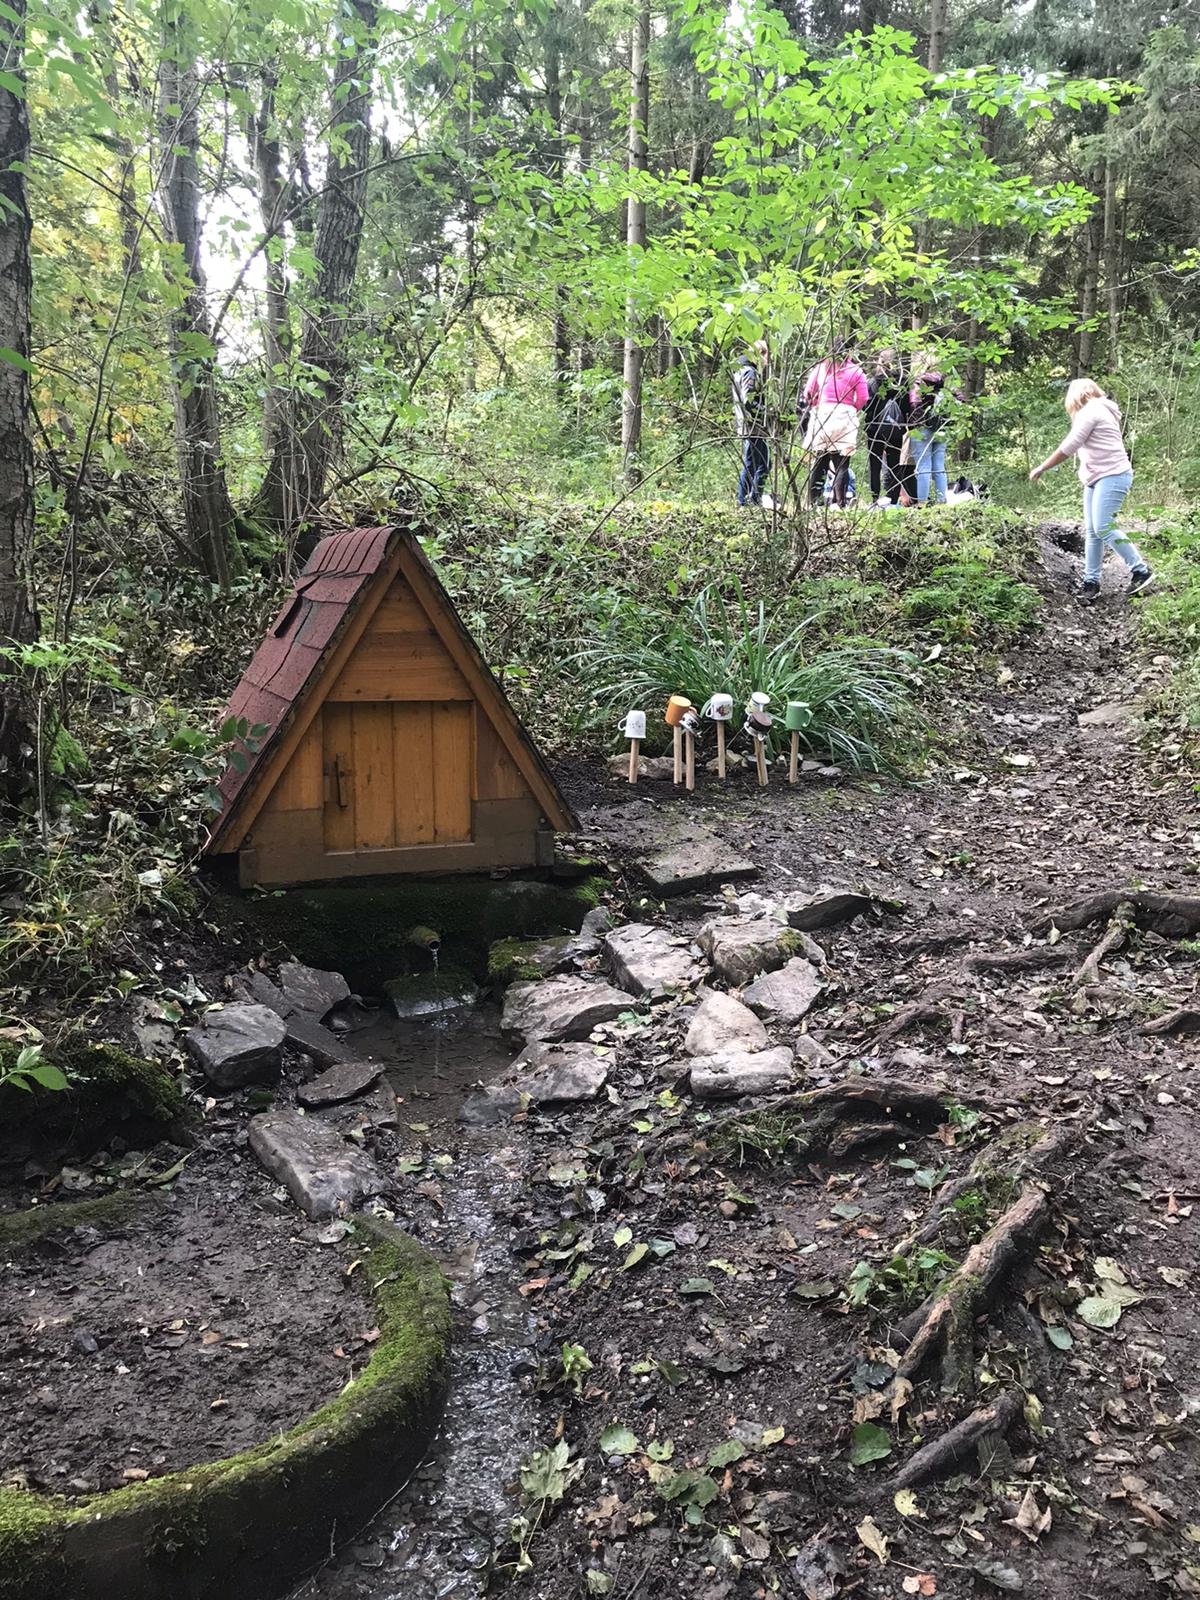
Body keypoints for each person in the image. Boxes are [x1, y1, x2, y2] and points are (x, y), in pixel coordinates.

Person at [1029, 379, 1153, 602]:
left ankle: (1141, 570)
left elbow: (1069, 446)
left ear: (1076, 396)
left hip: (1113, 475)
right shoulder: (1100, 409)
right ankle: (1091, 582)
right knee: (1093, 531)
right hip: (1096, 478)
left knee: (1104, 526)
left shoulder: (1092, 410)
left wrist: (1042, 467)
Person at [802, 337, 868, 508]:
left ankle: (814, 502)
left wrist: (816, 404)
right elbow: (863, 397)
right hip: (844, 416)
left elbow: (808, 392)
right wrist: (853, 408)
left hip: (823, 414)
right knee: (842, 463)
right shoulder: (856, 370)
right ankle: (840, 503)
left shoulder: (821, 368)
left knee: (820, 461)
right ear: (849, 352)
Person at [863, 350, 907, 507]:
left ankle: (875, 499)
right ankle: (893, 500)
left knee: (875, 465)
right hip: (897, 429)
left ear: (879, 362)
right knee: (895, 464)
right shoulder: (903, 382)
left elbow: (867, 406)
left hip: (875, 429)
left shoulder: (872, 383)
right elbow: (907, 406)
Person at [733, 340, 771, 507]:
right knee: (753, 464)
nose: (767, 359)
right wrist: (766, 411)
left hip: (749, 424)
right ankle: (744, 501)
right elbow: (748, 401)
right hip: (752, 425)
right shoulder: (750, 372)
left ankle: (754, 499)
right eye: (766, 355)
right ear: (759, 354)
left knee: (762, 463)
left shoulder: (741, 370)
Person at [908, 369, 950, 504]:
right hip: (941, 429)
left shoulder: (919, 384)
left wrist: (918, 423)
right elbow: (960, 399)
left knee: (923, 467)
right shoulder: (945, 384)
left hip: (922, 430)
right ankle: (941, 501)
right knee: (939, 466)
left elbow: (914, 403)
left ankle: (922, 504)